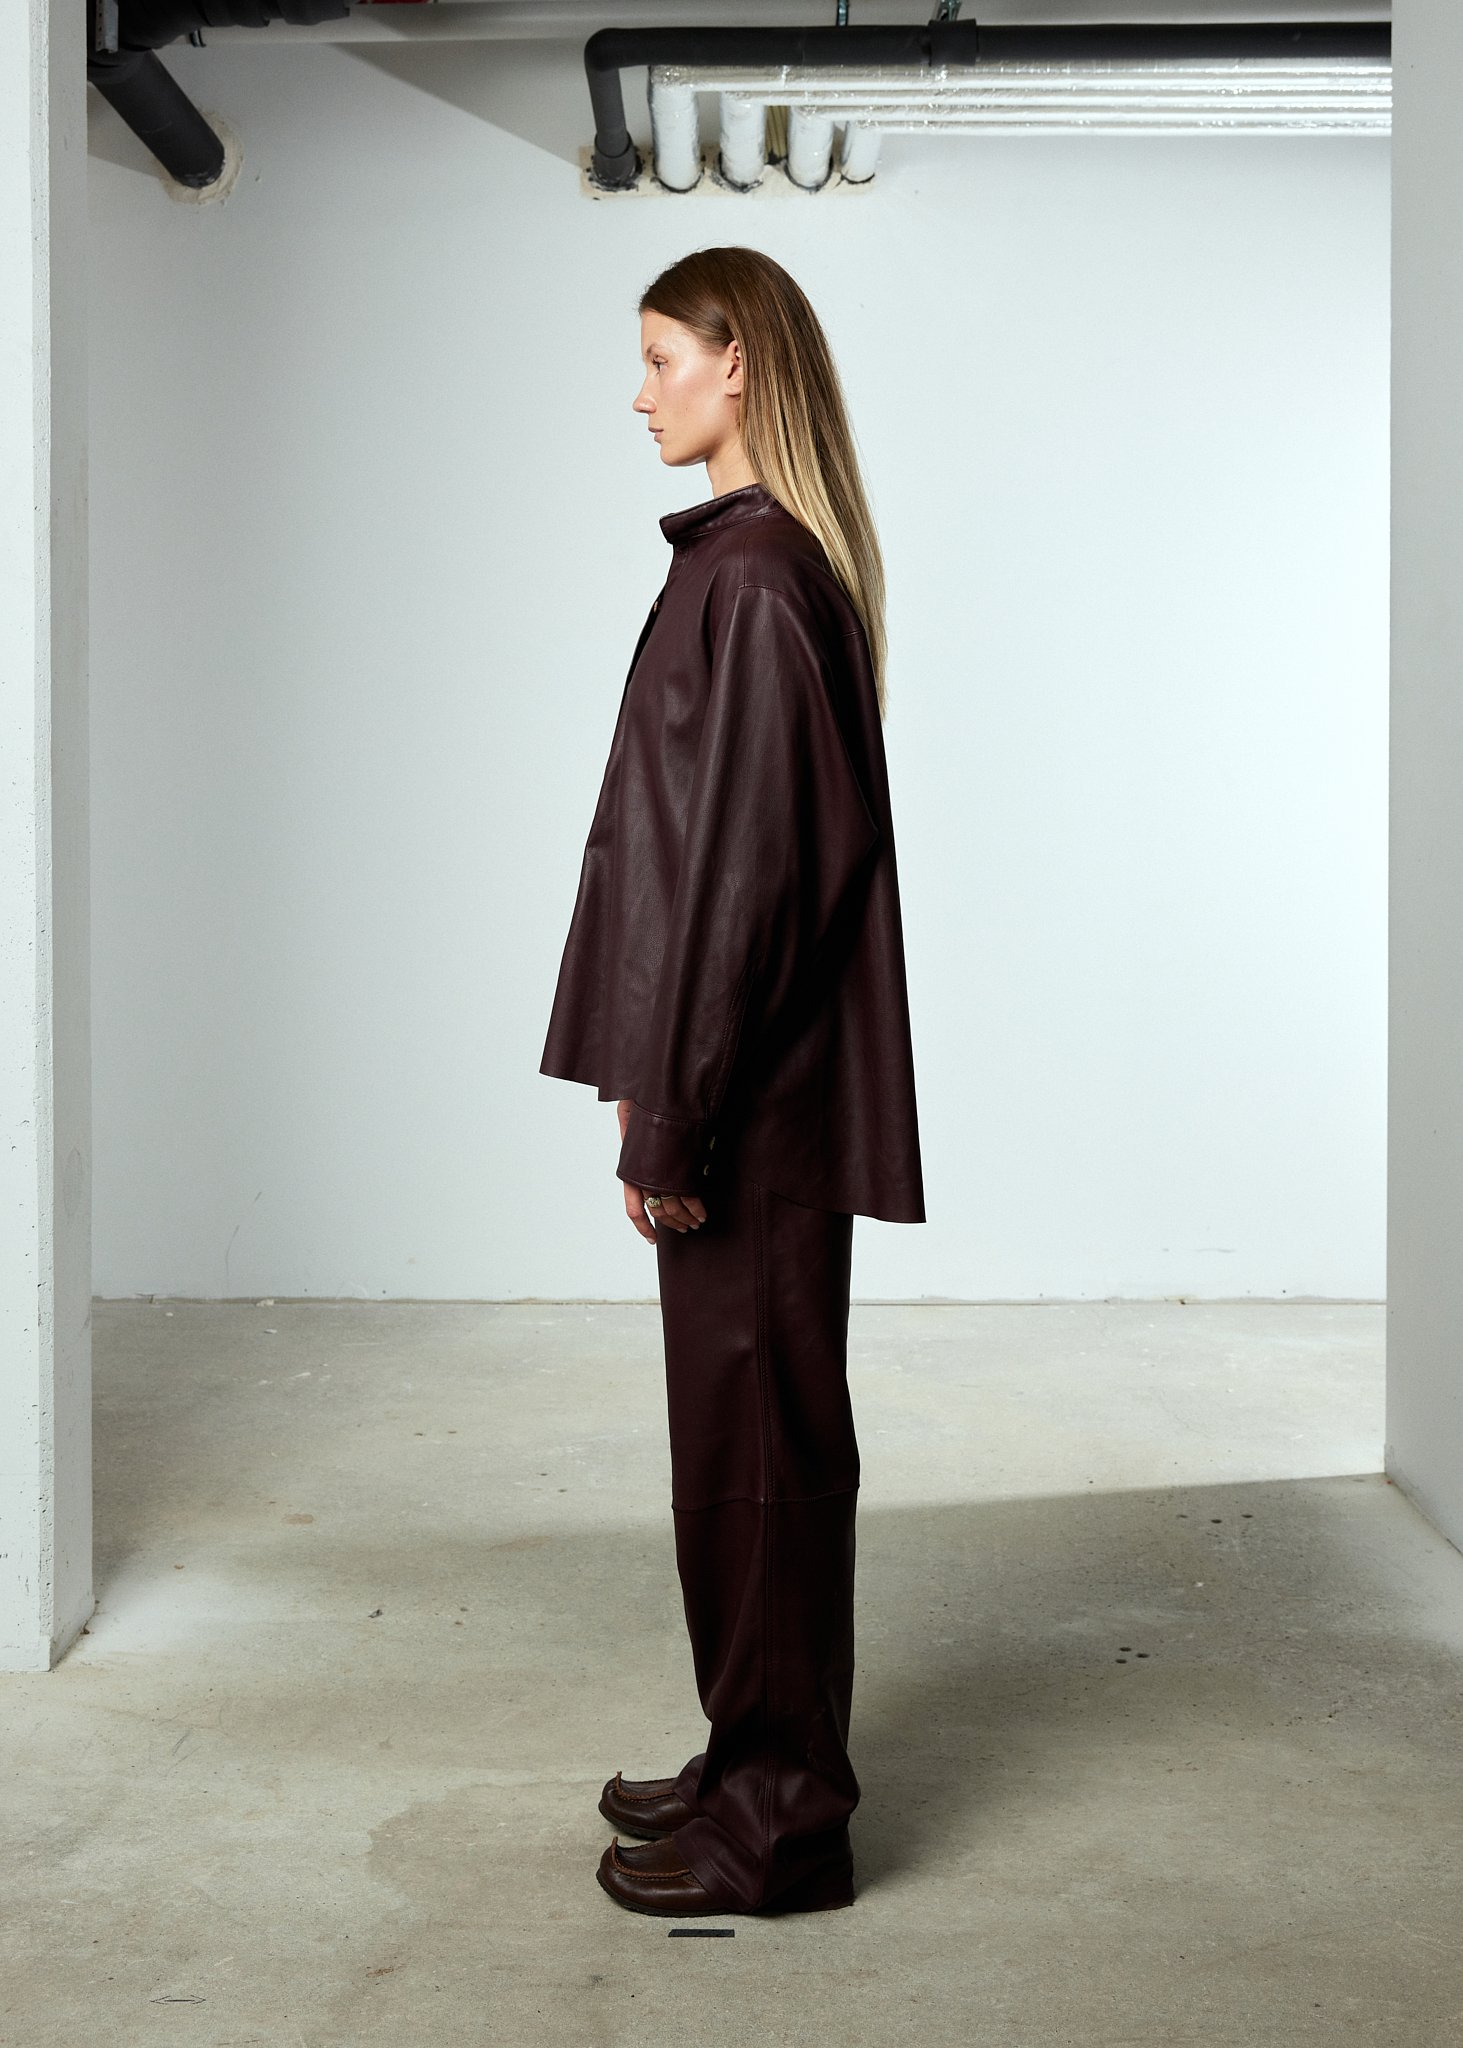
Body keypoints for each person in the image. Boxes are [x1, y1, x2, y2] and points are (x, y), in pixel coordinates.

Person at [539, 245, 925, 1917]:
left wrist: (678, 1110)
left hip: (752, 1114)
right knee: (744, 1451)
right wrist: (655, 1083)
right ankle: (750, 1748)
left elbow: (751, 885)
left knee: (760, 1457)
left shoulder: (758, 580)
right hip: (736, 1094)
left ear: (738, 362)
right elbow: (708, 862)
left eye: (659, 358)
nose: (640, 392)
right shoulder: (749, 566)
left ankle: (781, 1824)